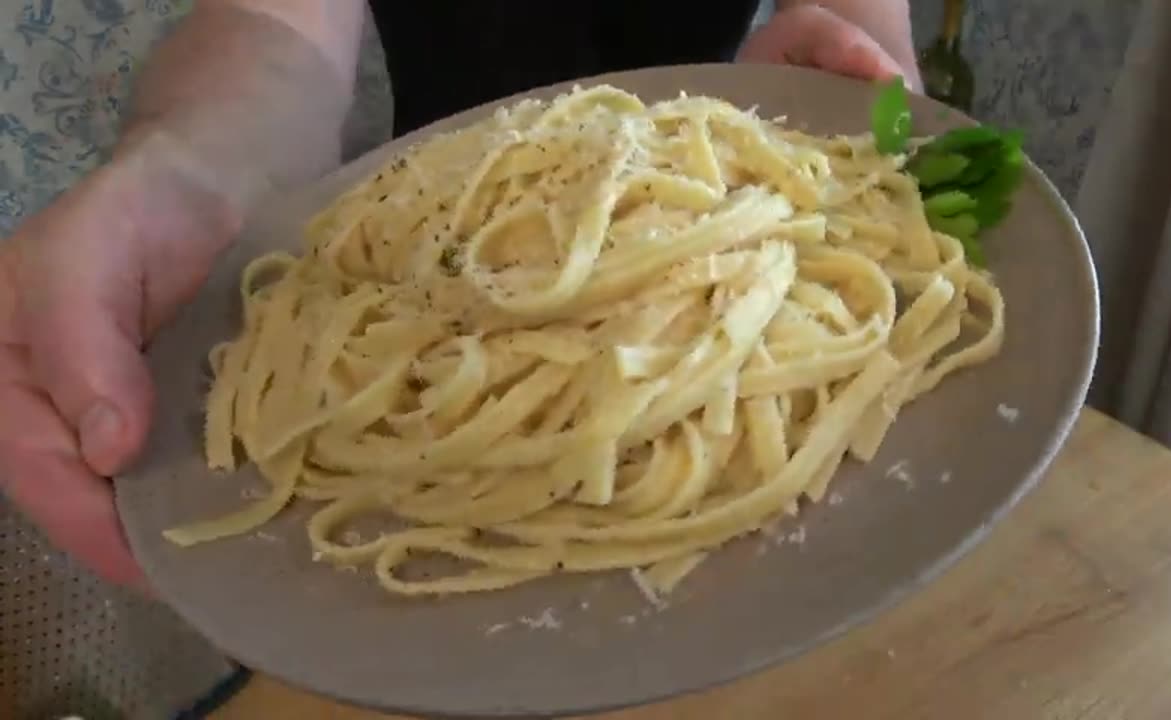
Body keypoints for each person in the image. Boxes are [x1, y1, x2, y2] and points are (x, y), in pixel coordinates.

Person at [0, 0, 920, 589]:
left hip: (715, 234)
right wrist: (190, 167)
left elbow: (856, 16)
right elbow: (275, 27)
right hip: (430, 271)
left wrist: (848, 63)